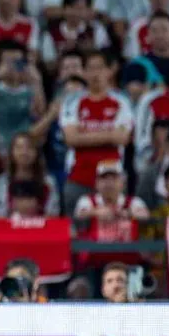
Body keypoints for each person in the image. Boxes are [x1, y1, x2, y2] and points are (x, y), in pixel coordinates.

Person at [61, 51, 134, 215]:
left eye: (100, 68)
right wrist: (108, 134)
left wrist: (84, 135)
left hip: (113, 179)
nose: (95, 73)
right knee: (76, 232)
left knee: (116, 228)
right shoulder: (72, 101)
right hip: (79, 176)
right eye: (91, 68)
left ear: (109, 71)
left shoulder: (122, 101)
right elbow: (71, 138)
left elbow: (122, 138)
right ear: (84, 72)